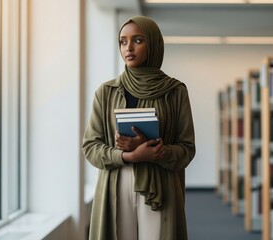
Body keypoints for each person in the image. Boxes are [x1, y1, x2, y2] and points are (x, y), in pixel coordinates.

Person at [82, 15, 196, 240]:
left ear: (153, 44)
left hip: (159, 186)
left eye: (138, 40)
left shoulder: (175, 91)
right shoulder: (105, 92)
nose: (129, 48)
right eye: (123, 42)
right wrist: (128, 155)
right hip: (116, 182)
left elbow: (187, 149)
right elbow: (90, 147)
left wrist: (157, 152)